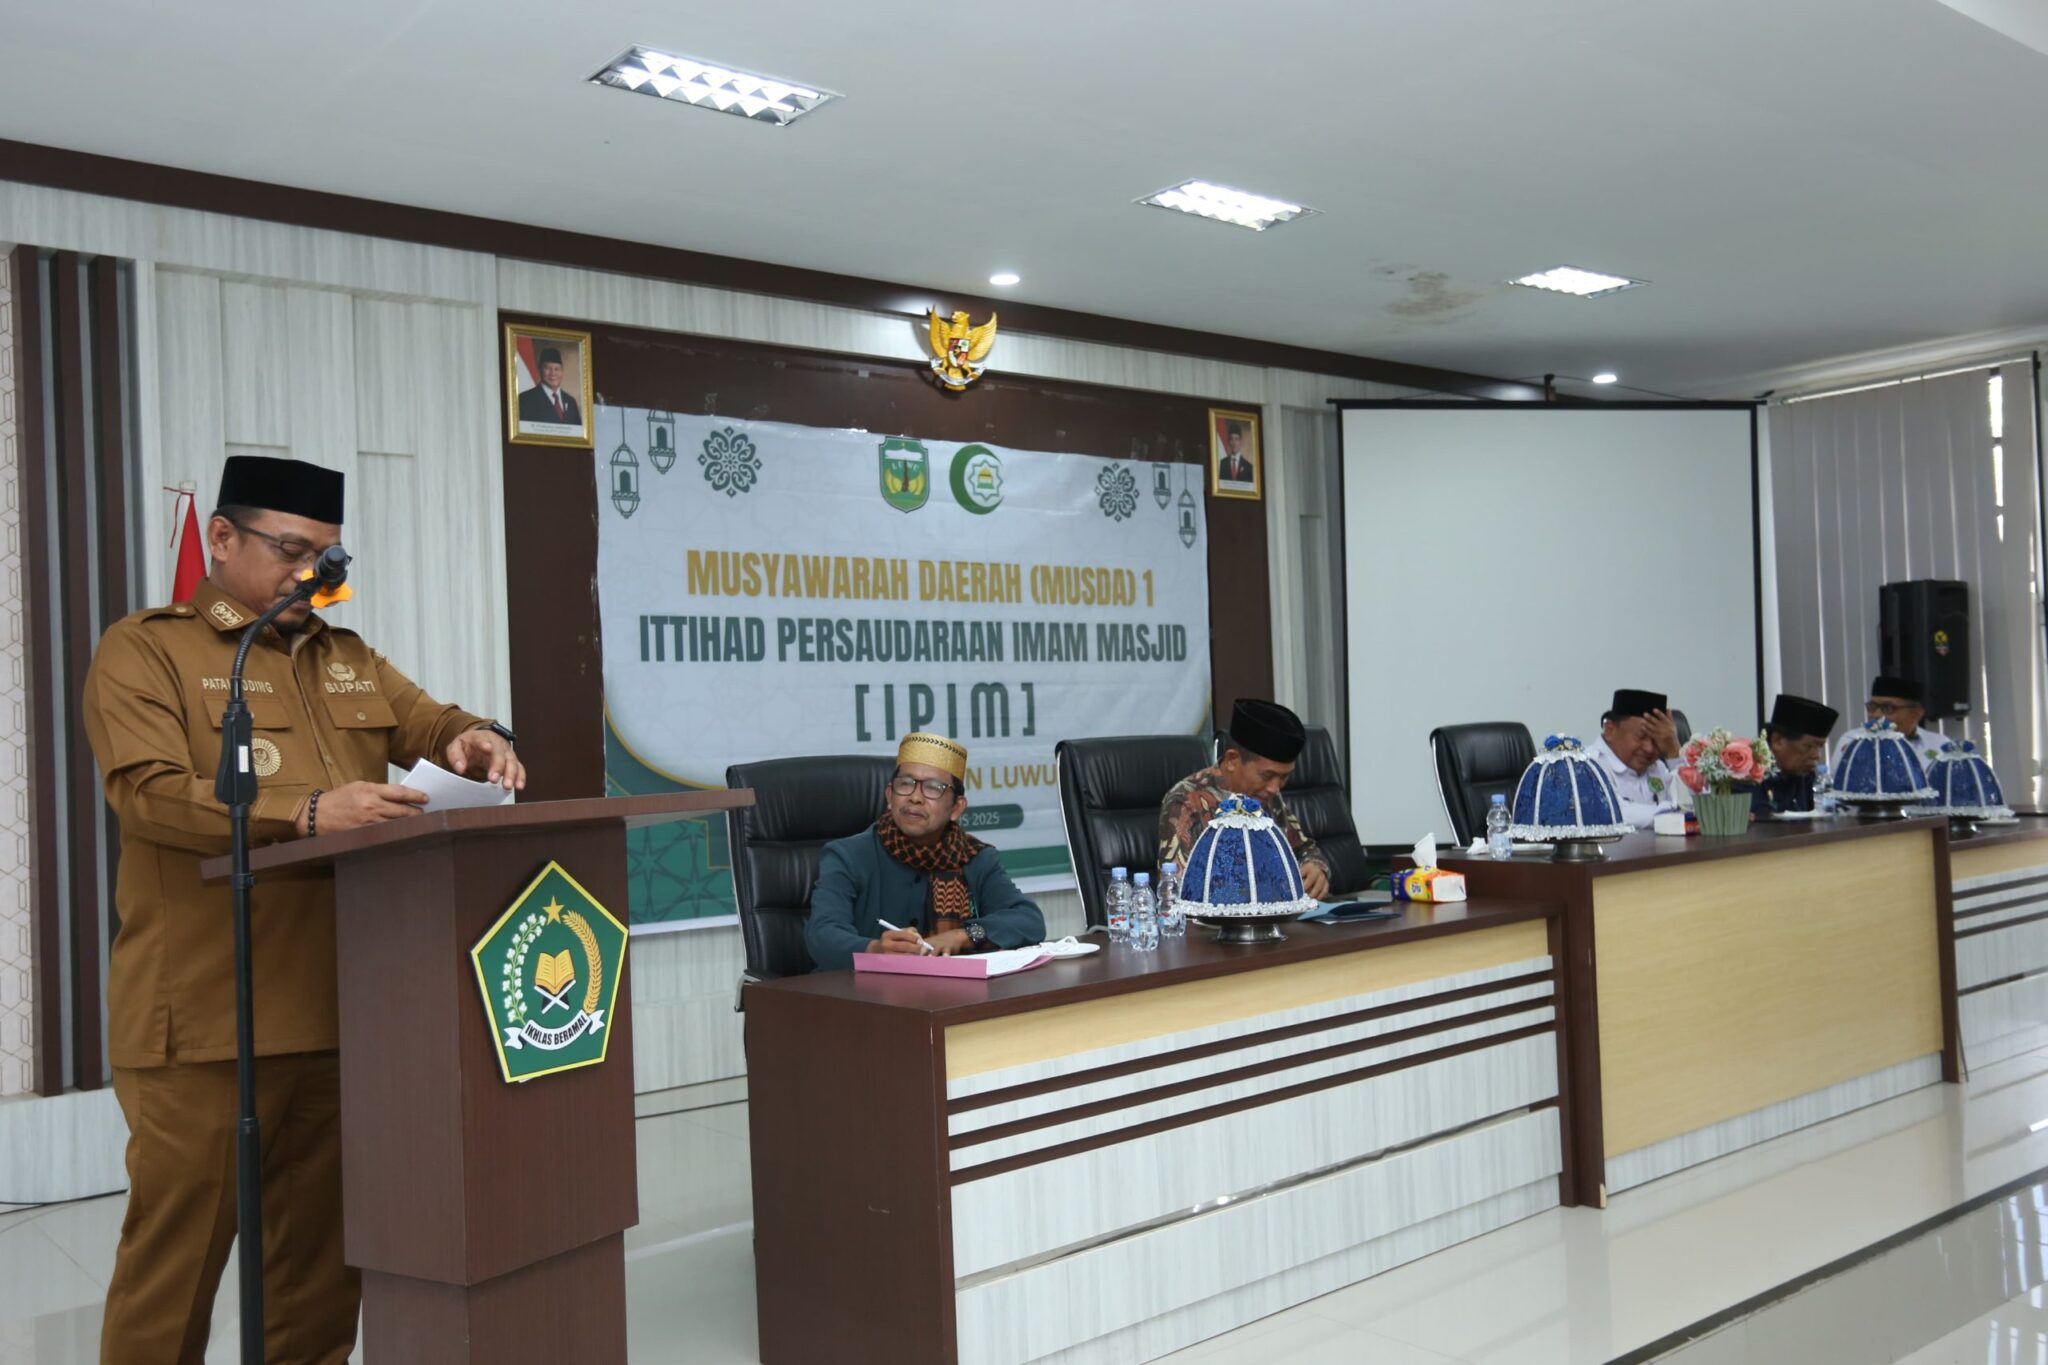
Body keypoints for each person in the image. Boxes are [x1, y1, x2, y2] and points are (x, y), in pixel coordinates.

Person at [82, 455, 525, 1365]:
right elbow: (147, 793)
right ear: (221, 537)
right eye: (290, 551)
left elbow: (434, 721)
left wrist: (477, 737)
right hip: (207, 1019)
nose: (310, 575)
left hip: (339, 1013)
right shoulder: (147, 650)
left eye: (325, 557)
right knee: (176, 1268)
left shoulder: (346, 657)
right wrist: (308, 810)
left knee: (318, 1270)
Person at [805, 732, 1046, 970]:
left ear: (956, 807)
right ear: (889, 795)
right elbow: (822, 934)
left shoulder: (975, 858)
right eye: (905, 784)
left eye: (933, 788)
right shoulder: (848, 855)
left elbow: (1028, 920)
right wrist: (874, 949)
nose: (915, 798)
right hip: (863, 989)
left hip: (951, 989)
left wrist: (963, 935)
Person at [1159, 699, 1333, 899]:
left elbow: (1304, 850)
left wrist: (1316, 868)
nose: (1275, 788)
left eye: (1284, 777)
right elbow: (1178, 889)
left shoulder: (1267, 796)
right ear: (1232, 760)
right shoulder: (1186, 802)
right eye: (1267, 776)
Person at [1586, 688, 1689, 829]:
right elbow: (1613, 812)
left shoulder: (1658, 768)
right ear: (1610, 730)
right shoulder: (1588, 766)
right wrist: (1674, 812)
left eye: (1656, 740)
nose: (1649, 748)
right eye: (1641, 736)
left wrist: (1674, 752)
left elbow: (1694, 806)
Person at [1750, 693, 1839, 816]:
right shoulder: (1747, 777)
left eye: (1819, 747)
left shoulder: (1804, 776)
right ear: (1777, 741)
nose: (1817, 756)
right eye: (1809, 747)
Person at [1839, 674, 1945, 763]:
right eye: (1872, 706)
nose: (1876, 715)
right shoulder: (1852, 741)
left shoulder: (1939, 745)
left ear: (1915, 714)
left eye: (1887, 708)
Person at [516, 345, 582, 426]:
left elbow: (578, 431)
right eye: (547, 368)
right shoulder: (525, 400)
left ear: (562, 372)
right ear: (540, 370)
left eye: (557, 369)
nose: (553, 373)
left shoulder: (571, 402)